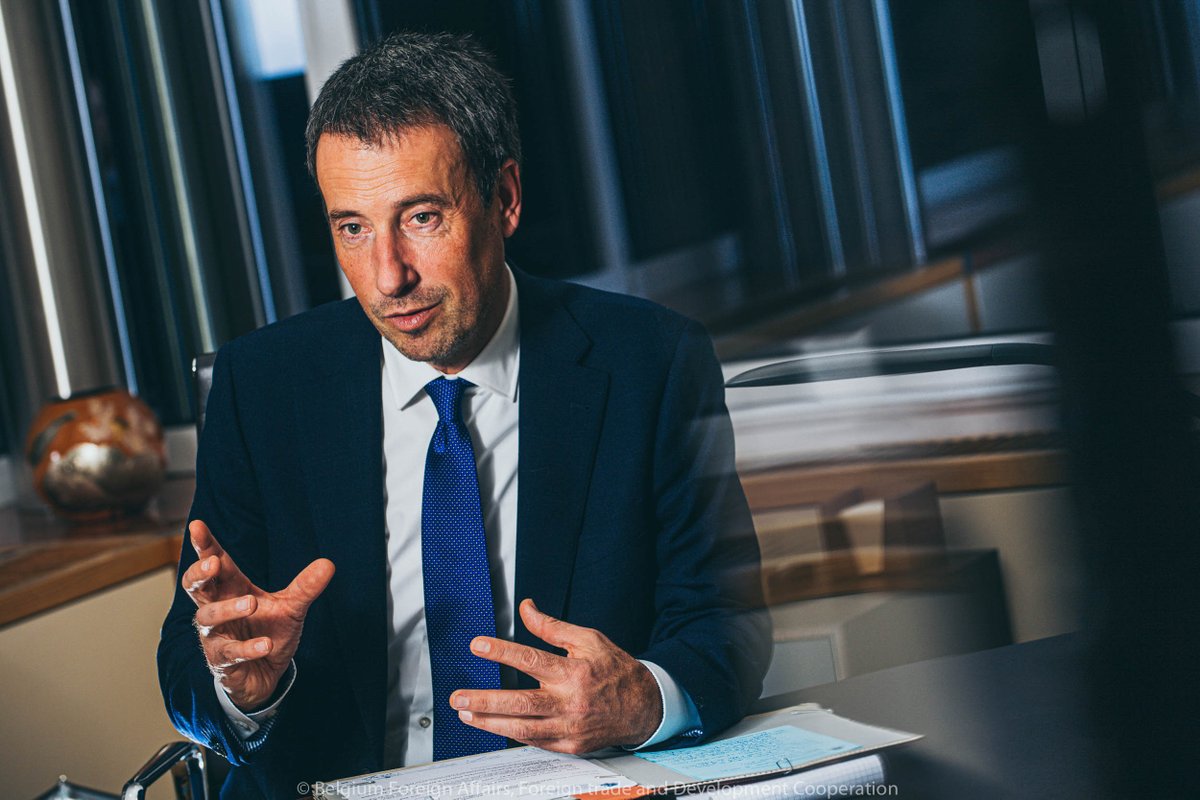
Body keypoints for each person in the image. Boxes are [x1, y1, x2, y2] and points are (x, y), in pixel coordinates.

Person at [158, 31, 769, 799]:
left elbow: (725, 623)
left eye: (420, 217)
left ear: (504, 198)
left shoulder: (650, 362)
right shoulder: (263, 385)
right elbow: (189, 662)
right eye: (353, 228)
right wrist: (243, 690)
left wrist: (643, 700)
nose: (388, 276)